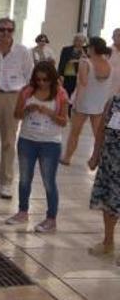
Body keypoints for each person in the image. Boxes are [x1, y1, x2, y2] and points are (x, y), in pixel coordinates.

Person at [4, 62, 68, 233]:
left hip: (50, 143)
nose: (41, 83)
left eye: (45, 79)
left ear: (52, 79)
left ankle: (51, 218)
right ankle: (22, 211)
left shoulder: (60, 94)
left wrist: (48, 112)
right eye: (38, 79)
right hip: (27, 140)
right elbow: (16, 115)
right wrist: (27, 110)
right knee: (24, 178)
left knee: (49, 181)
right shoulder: (27, 91)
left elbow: (64, 121)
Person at [0, 18, 34, 198]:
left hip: (12, 97)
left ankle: (6, 183)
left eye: (9, 30)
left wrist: (25, 100)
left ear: (14, 32)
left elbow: (29, 75)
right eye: (2, 29)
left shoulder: (22, 51)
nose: (5, 33)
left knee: (9, 141)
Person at [62, 37, 114, 165]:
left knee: (75, 132)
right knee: (99, 135)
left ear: (93, 48)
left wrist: (75, 103)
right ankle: (98, 159)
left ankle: (67, 158)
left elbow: (82, 83)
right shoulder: (108, 64)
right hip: (99, 104)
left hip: (84, 102)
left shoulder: (85, 63)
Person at [88, 82, 120, 260]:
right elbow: (101, 130)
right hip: (110, 162)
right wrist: (95, 155)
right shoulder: (113, 102)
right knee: (108, 202)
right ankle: (108, 242)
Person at [57, 33, 87, 102]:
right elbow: (62, 62)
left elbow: (88, 61)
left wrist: (77, 61)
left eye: (81, 41)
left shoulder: (86, 50)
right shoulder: (66, 49)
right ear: (74, 41)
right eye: (78, 40)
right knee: (68, 92)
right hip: (69, 73)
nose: (79, 43)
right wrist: (60, 74)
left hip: (81, 74)